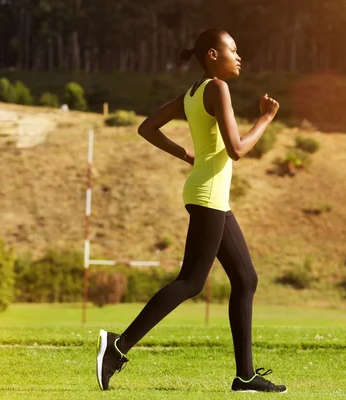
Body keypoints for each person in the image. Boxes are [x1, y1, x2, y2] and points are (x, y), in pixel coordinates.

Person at [96, 28, 285, 394]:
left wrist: (186, 154)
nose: (239, 56)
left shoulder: (192, 93)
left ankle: (245, 376)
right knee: (191, 282)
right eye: (233, 49)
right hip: (208, 195)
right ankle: (117, 348)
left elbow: (146, 127)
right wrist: (265, 119)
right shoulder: (217, 88)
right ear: (213, 55)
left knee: (246, 280)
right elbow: (237, 149)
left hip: (208, 194)